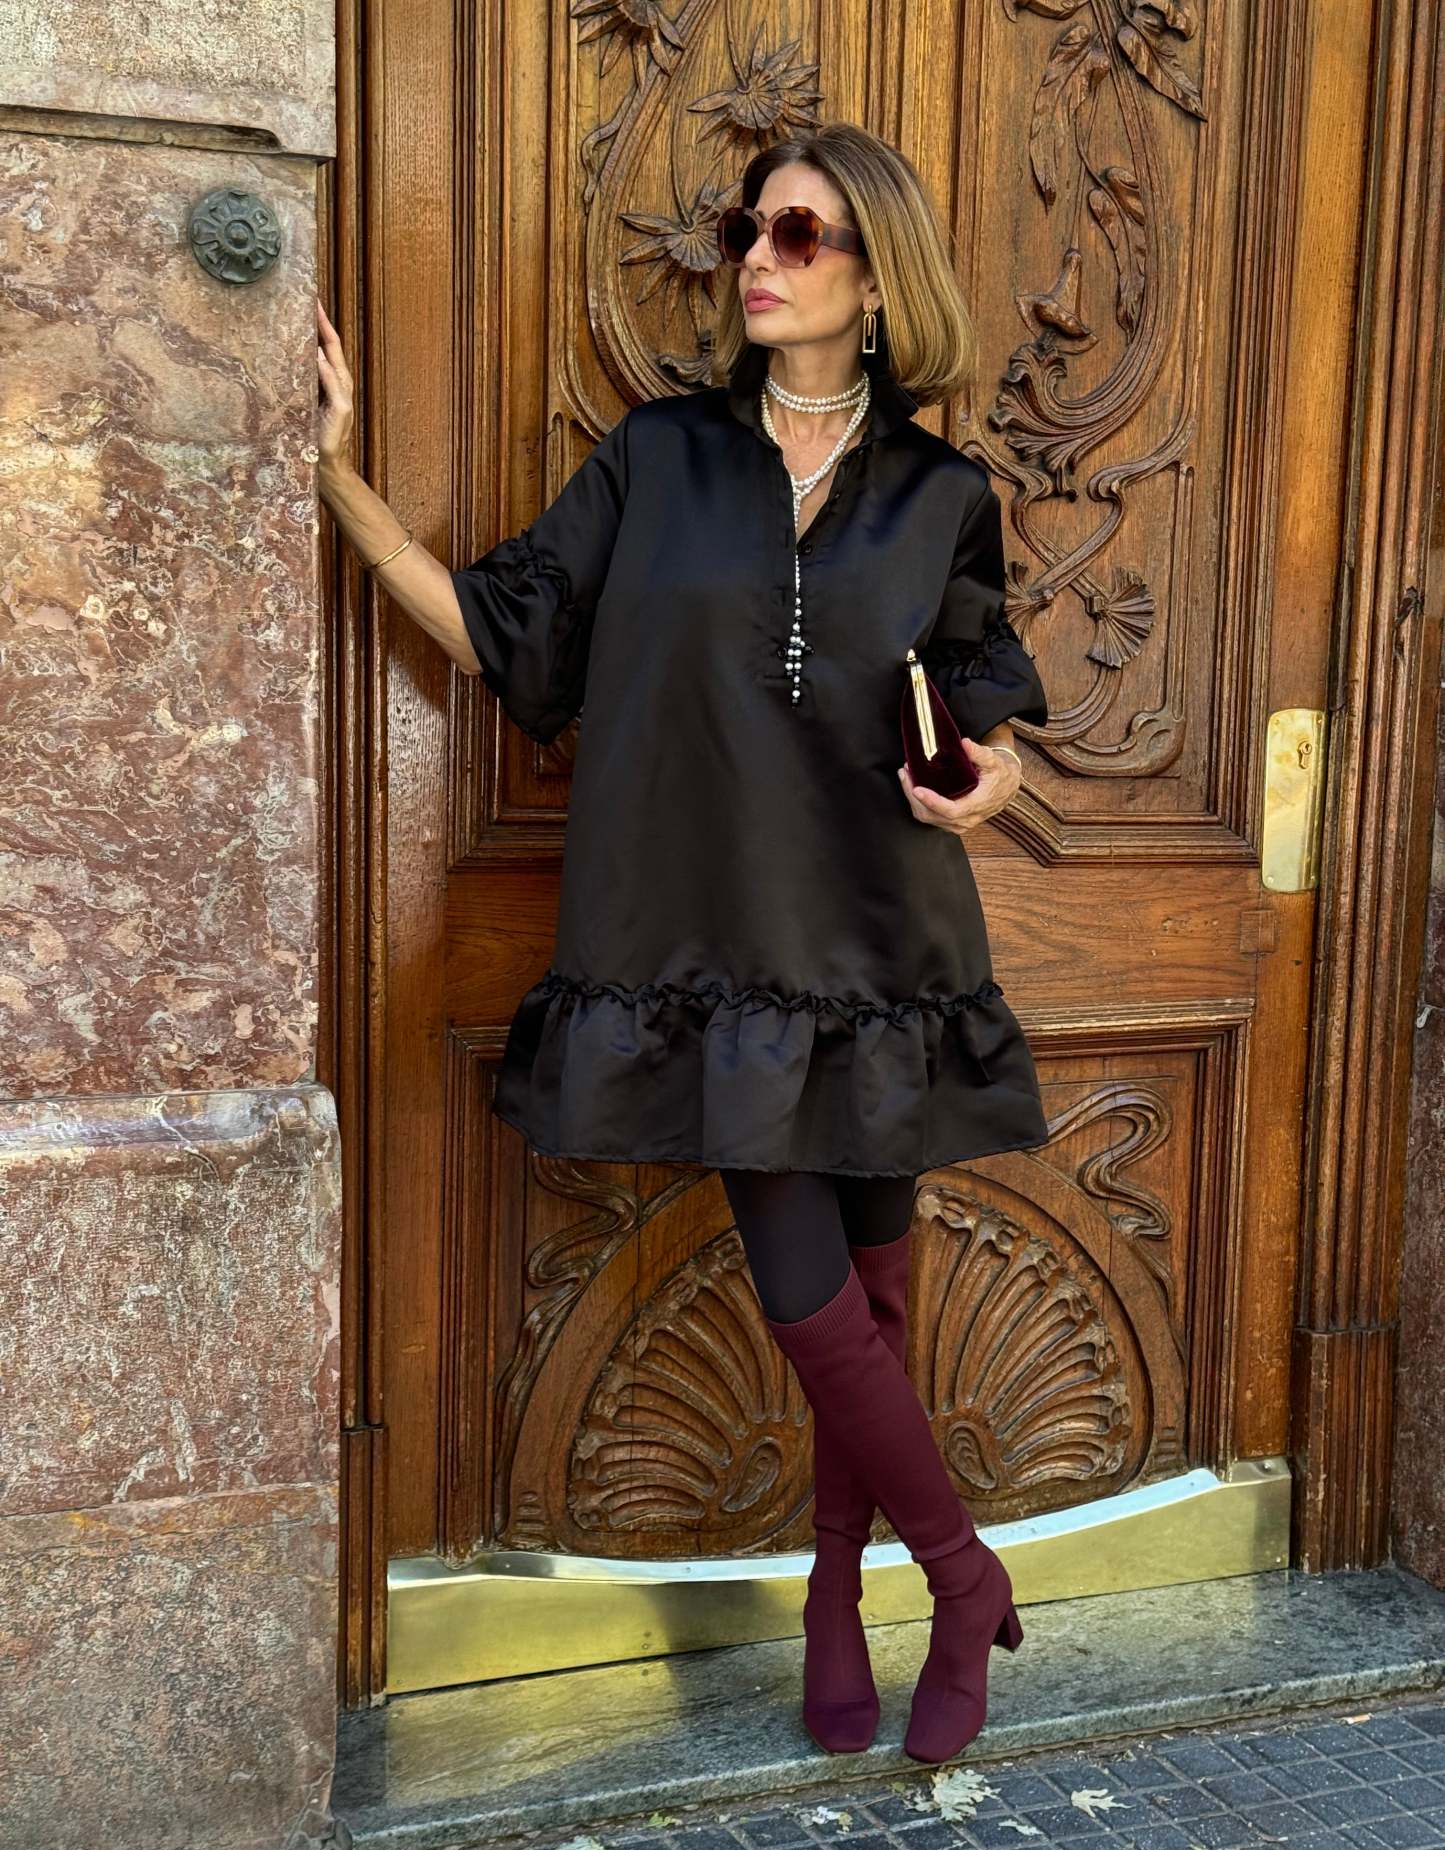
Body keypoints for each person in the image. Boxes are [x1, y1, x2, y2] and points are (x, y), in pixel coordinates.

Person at [316, 121, 1049, 1766]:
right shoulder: (659, 458)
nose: (757, 261)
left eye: (798, 234)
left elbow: (980, 707)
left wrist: (991, 782)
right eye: (747, 230)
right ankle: (963, 1575)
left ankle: (835, 1599)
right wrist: (335, 479)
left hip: (883, 943)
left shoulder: (943, 495)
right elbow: (500, 631)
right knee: (811, 1298)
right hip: (706, 945)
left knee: (870, 1310)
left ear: (877, 277)